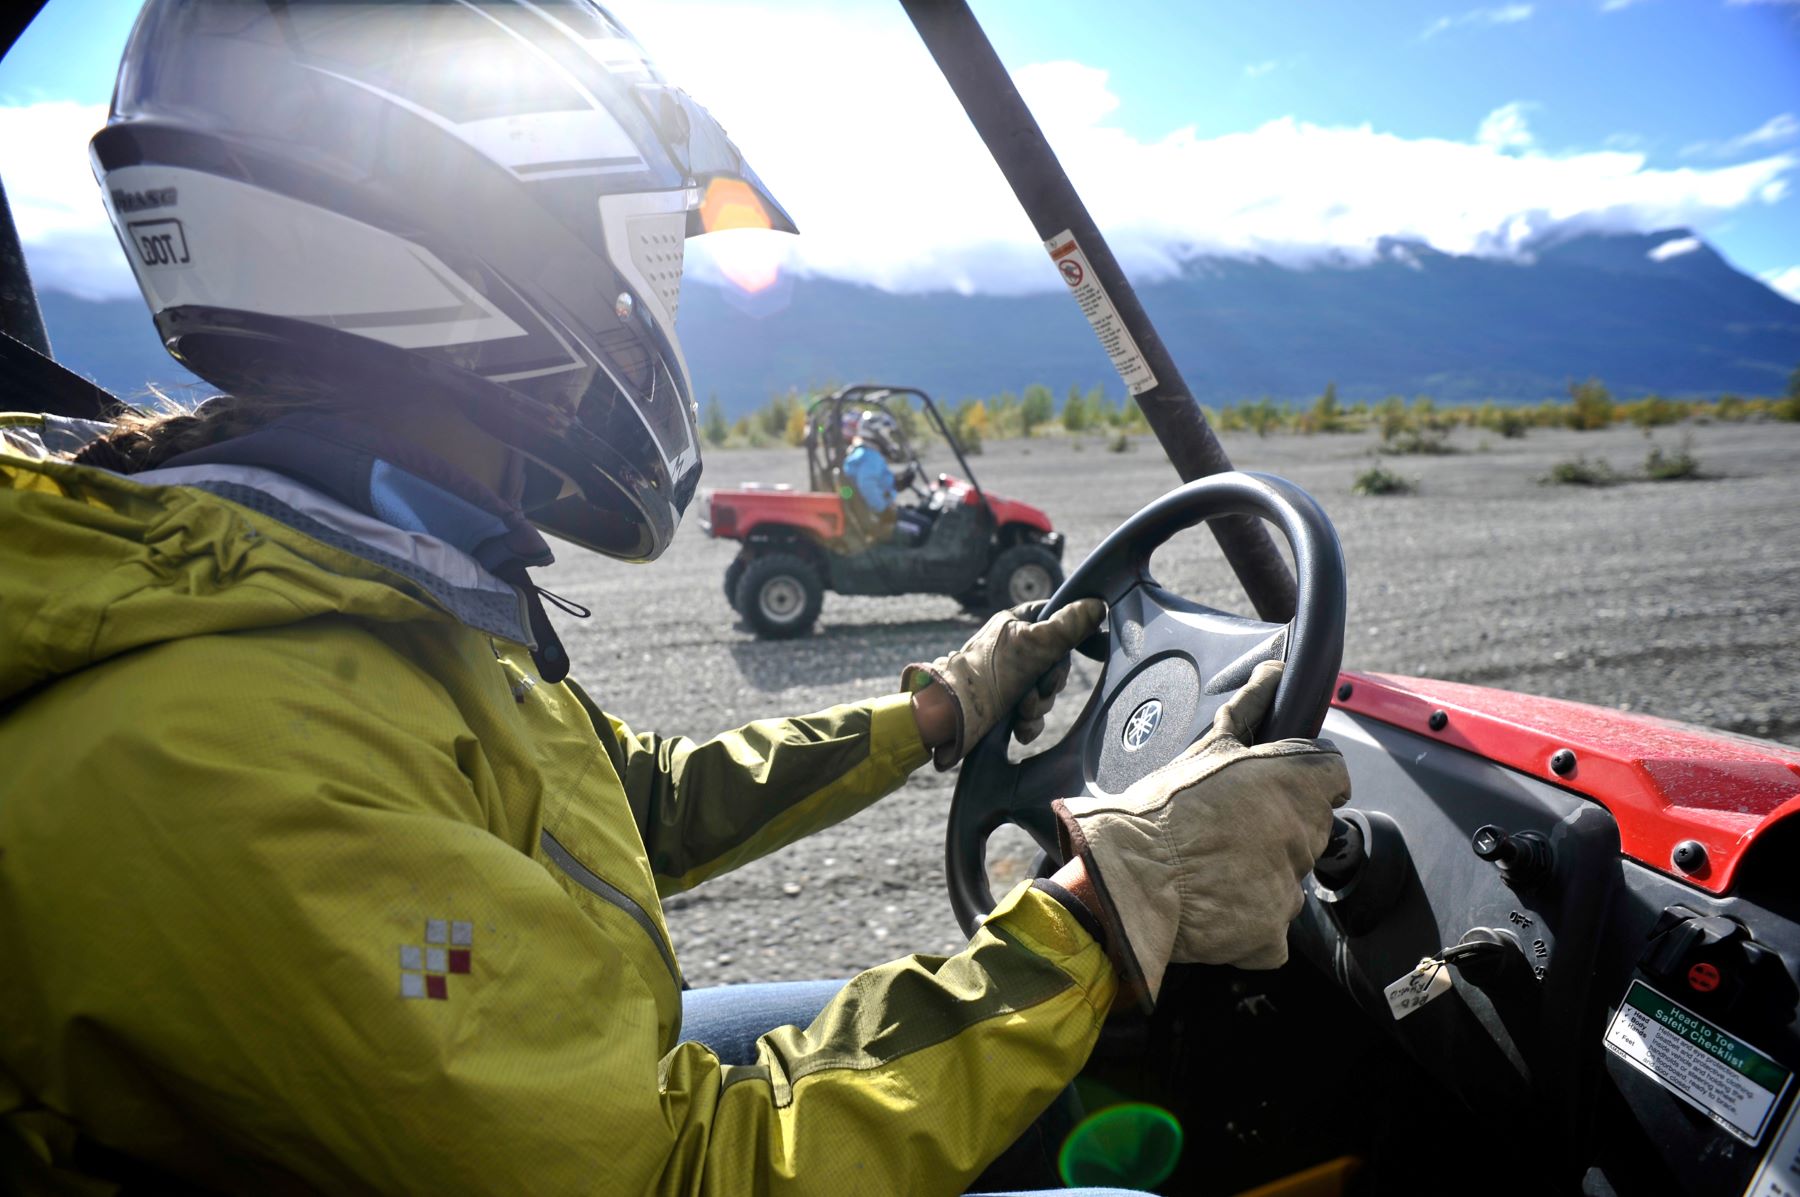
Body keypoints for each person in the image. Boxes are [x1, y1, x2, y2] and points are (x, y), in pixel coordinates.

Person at [0, 3, 1349, 1193]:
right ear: (474, 241)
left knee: (993, 1061)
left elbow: (627, 811)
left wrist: (936, 709)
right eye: (649, 258)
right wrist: (1113, 904)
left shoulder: (336, 577)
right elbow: (673, 1176)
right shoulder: (227, 751)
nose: (660, 311)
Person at [841, 408, 931, 544]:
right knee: (925, 526)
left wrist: (897, 482)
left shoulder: (862, 454)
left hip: (870, 512)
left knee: (914, 514)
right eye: (886, 434)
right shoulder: (871, 457)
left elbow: (875, 482)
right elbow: (867, 485)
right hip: (877, 517)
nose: (889, 439)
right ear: (876, 434)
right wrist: (884, 510)